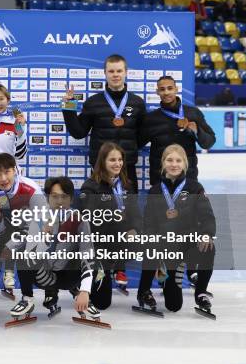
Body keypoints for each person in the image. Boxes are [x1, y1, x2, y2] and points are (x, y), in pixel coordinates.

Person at [137, 144, 216, 315]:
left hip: (188, 243)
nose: (174, 164)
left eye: (178, 160)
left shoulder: (195, 188)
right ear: (163, 163)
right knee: (173, 306)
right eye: (170, 160)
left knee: (208, 246)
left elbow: (207, 216)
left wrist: (206, 235)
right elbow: (149, 223)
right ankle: (144, 291)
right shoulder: (155, 191)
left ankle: (200, 292)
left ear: (185, 164)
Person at [11, 176, 100, 320]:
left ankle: (80, 294)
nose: (59, 201)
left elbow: (88, 255)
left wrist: (85, 290)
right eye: (54, 196)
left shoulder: (79, 220)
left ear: (71, 199)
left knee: (92, 256)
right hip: (45, 277)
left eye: (64, 197)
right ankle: (27, 298)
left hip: (69, 277)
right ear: (47, 198)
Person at [62, 54, 146, 191]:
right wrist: (68, 106)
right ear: (105, 73)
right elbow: (78, 132)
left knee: (130, 211)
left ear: (126, 72)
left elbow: (142, 136)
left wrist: (129, 148)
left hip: (127, 167)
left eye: (119, 71)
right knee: (98, 210)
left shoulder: (137, 103)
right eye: (111, 71)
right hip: (100, 168)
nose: (115, 75)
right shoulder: (93, 102)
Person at [0, 153, 48, 316]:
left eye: (7, 172)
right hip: (7, 231)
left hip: (33, 231)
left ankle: (27, 297)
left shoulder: (31, 189)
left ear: (15, 171)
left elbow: (43, 222)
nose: (3, 178)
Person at [79, 142, 141, 310]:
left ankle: (130, 278)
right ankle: (92, 276)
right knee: (102, 303)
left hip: (120, 240)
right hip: (99, 244)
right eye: (112, 159)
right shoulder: (90, 186)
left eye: (120, 159)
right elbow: (90, 220)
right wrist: (115, 215)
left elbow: (135, 214)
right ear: (103, 162)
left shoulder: (127, 185)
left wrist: (134, 228)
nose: (117, 163)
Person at [139, 76, 216, 186]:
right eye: (162, 89)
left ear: (176, 89)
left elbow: (209, 142)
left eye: (170, 88)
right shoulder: (151, 119)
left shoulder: (193, 113)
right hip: (160, 179)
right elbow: (137, 143)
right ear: (157, 92)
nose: (166, 92)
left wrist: (197, 130)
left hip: (188, 178)